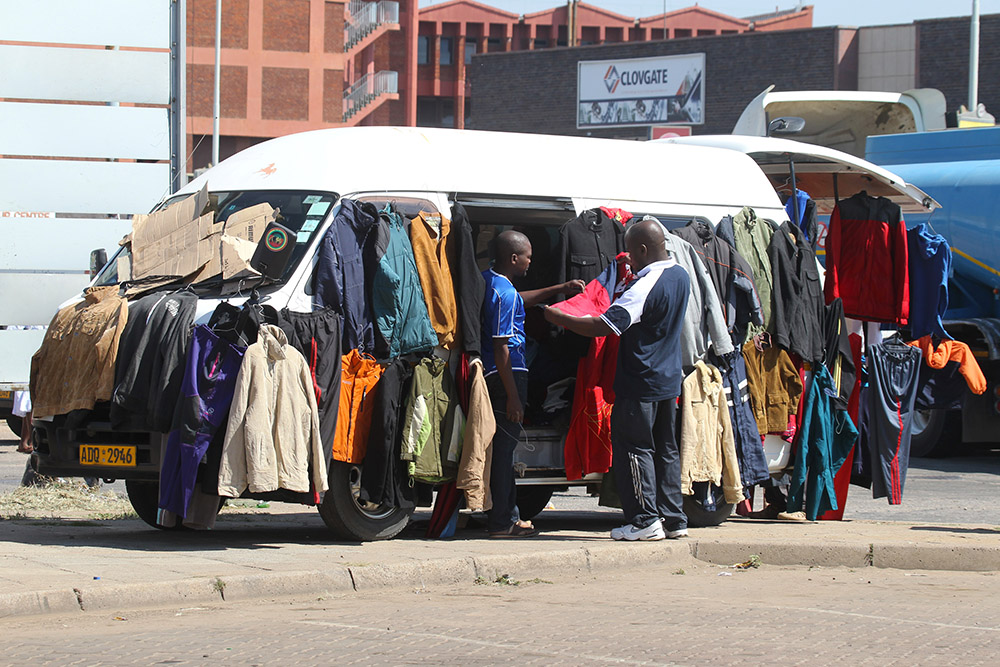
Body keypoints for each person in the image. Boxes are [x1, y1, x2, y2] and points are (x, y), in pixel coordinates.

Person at [544, 217, 690, 541]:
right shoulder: (681, 275)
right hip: (668, 380)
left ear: (642, 249)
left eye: (631, 253)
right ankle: (675, 519)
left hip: (640, 381)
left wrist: (560, 317)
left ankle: (644, 521)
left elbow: (605, 325)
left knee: (635, 449)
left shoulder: (644, 285)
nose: (629, 261)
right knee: (666, 450)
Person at [483, 230, 584, 538]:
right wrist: (514, 396)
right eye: (527, 256)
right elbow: (502, 345)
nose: (530, 262)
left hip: (498, 373)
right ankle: (504, 521)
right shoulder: (504, 293)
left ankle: (503, 515)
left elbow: (519, 300)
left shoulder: (492, 282)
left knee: (500, 449)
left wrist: (561, 288)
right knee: (504, 451)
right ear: (514, 258)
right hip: (509, 372)